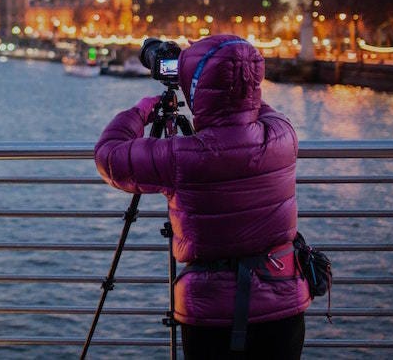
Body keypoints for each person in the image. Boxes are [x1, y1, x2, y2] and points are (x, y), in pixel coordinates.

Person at [94, 34, 310, 359]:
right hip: (284, 304)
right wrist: (224, 71)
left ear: (198, 87)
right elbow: (249, 103)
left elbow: (109, 156)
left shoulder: (182, 155)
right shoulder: (282, 133)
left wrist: (142, 110)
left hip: (212, 314)